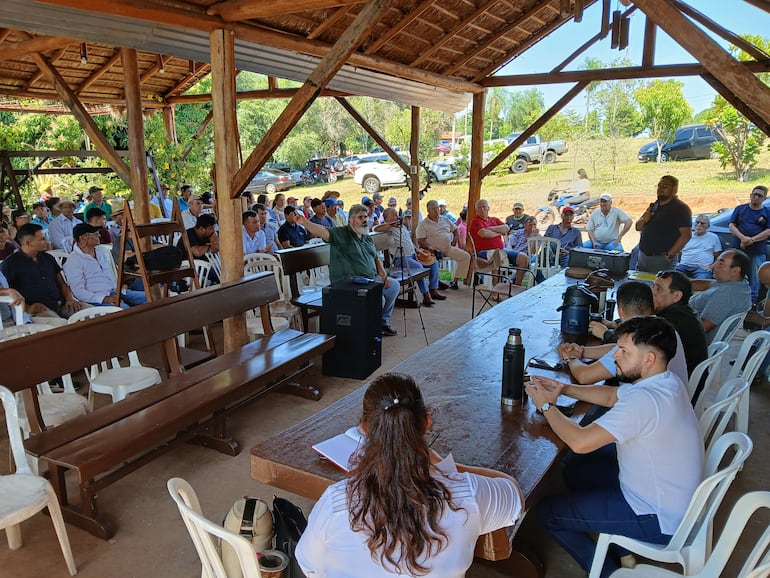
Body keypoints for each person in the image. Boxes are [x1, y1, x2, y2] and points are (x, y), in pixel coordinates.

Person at [296, 372, 524, 578]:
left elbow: (311, 567)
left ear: (364, 429)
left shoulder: (337, 502)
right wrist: (439, 462)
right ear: (426, 423)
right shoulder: (469, 494)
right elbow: (514, 495)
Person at [528, 316, 704, 578]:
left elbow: (579, 442)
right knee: (575, 472)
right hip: (667, 495)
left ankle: (607, 572)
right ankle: (621, 547)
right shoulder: (665, 381)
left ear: (649, 360)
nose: (615, 357)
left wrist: (546, 406)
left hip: (658, 518)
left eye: (623, 351)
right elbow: (612, 395)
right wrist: (564, 388)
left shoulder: (644, 402)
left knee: (548, 512)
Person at [557, 281, 688, 387]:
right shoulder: (661, 328)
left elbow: (584, 376)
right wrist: (583, 351)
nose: (619, 352)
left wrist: (570, 358)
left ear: (620, 311)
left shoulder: (638, 337)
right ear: (652, 304)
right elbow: (615, 348)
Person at [297, 204, 401, 336]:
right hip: (349, 283)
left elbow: (375, 257)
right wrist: (305, 222)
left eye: (366, 216)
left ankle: (382, 322)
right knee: (379, 299)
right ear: (351, 219)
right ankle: (367, 330)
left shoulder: (366, 236)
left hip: (369, 279)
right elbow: (321, 231)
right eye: (360, 217)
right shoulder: (341, 234)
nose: (364, 220)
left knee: (394, 286)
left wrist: (383, 274)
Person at [1, 223, 87, 322]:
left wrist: (69, 298)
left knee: (93, 313)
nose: (46, 241)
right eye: (42, 239)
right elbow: (8, 295)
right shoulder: (10, 264)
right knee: (61, 325)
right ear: (28, 242)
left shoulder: (48, 258)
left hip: (62, 304)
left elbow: (61, 283)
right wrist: (29, 308)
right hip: (36, 311)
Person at [63, 223, 145, 307]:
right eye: (95, 233)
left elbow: (109, 273)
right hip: (95, 298)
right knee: (124, 309)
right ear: (83, 238)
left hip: (114, 291)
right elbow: (78, 292)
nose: (99, 235)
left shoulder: (100, 250)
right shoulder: (73, 261)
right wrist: (105, 298)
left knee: (148, 298)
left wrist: (120, 286)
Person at [375, 207, 440, 306]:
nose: (397, 216)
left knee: (434, 264)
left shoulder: (402, 226)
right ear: (387, 218)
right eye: (394, 215)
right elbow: (375, 228)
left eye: (397, 214)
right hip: (401, 259)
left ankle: (433, 289)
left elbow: (408, 241)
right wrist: (391, 224)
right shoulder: (388, 228)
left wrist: (418, 250)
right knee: (419, 268)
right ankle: (426, 295)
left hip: (413, 255)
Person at [651, 270, 708, 377]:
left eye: (658, 289)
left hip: (681, 384)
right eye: (653, 286)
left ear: (676, 296)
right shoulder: (683, 312)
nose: (652, 291)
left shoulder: (671, 322)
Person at [689, 249, 752, 343]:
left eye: (720, 264)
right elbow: (706, 284)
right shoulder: (739, 284)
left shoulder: (725, 294)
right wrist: (677, 282)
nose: (714, 266)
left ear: (735, 271)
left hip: (688, 342)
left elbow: (700, 329)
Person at [635, 175, 692, 273]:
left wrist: (669, 255)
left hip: (661, 258)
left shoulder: (680, 208)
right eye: (659, 186)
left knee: (659, 286)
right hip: (643, 256)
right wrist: (645, 218)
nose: (660, 189)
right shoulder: (654, 205)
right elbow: (638, 227)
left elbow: (686, 236)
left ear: (674, 189)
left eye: (664, 186)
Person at [416, 200, 470, 290]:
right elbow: (420, 241)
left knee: (466, 256)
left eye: (437, 207)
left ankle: (455, 281)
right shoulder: (423, 224)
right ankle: (436, 282)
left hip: (447, 248)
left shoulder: (445, 219)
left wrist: (455, 239)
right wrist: (429, 248)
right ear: (428, 210)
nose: (436, 210)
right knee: (434, 261)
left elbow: (456, 229)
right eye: (433, 208)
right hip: (432, 251)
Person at [728, 185, 770, 303]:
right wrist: (742, 238)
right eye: (754, 194)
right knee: (734, 274)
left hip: (756, 252)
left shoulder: (767, 212)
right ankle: (732, 300)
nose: (756, 197)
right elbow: (732, 225)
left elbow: (768, 231)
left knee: (754, 280)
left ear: (764, 198)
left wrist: (751, 240)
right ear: (750, 195)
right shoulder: (740, 209)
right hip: (738, 249)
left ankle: (752, 304)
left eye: (759, 195)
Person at [469, 198, 529, 269]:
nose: (482, 209)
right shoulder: (475, 221)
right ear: (476, 210)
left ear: (488, 208)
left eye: (484, 207)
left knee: (523, 258)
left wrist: (490, 228)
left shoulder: (494, 220)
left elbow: (506, 228)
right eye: (479, 207)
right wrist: (499, 233)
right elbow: (484, 234)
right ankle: (498, 278)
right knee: (497, 256)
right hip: (484, 252)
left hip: (501, 250)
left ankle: (516, 280)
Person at [675, 214, 722, 279]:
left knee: (701, 280)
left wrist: (711, 267)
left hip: (702, 269)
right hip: (683, 266)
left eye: (702, 223)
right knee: (673, 277)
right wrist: (676, 263)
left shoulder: (714, 238)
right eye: (697, 222)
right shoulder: (686, 235)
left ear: (708, 226)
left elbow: (718, 256)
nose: (699, 225)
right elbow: (676, 251)